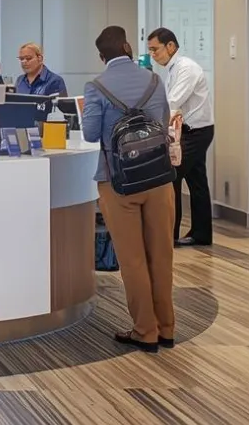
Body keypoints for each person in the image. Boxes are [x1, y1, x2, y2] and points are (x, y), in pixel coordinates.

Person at [82, 26, 175, 353]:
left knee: (132, 259)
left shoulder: (95, 87)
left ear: (101, 56)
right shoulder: (154, 80)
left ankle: (144, 331)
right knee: (161, 255)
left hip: (118, 182)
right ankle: (167, 328)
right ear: (126, 46)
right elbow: (163, 123)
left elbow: (91, 134)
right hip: (160, 179)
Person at [147, 28, 215, 247]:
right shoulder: (174, 69)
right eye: (150, 51)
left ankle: (170, 235)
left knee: (172, 175)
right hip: (188, 130)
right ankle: (201, 234)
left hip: (196, 131)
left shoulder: (187, 68)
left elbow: (172, 102)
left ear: (171, 46)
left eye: (155, 49)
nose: (153, 55)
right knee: (197, 181)